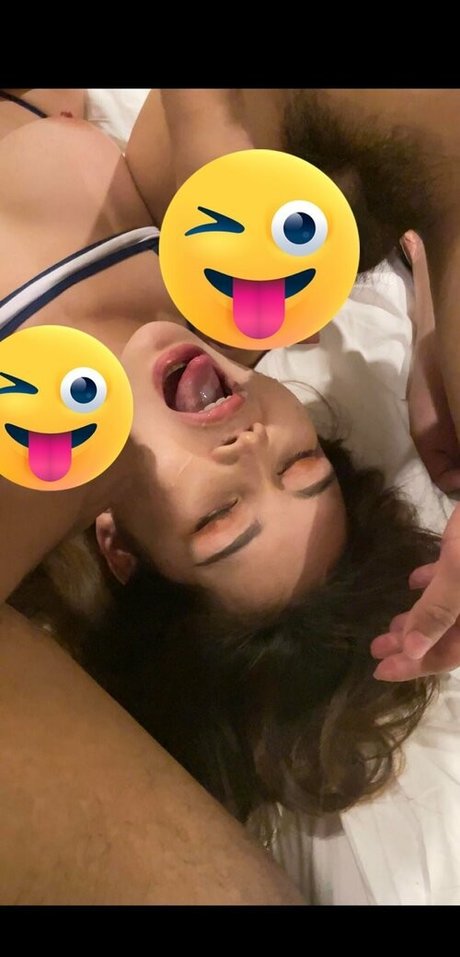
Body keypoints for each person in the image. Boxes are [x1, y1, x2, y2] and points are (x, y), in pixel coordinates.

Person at [3, 88, 460, 903]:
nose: (249, 447)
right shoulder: (231, 294)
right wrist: (432, 292)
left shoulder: (28, 454)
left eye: (220, 516)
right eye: (300, 463)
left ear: (117, 544)